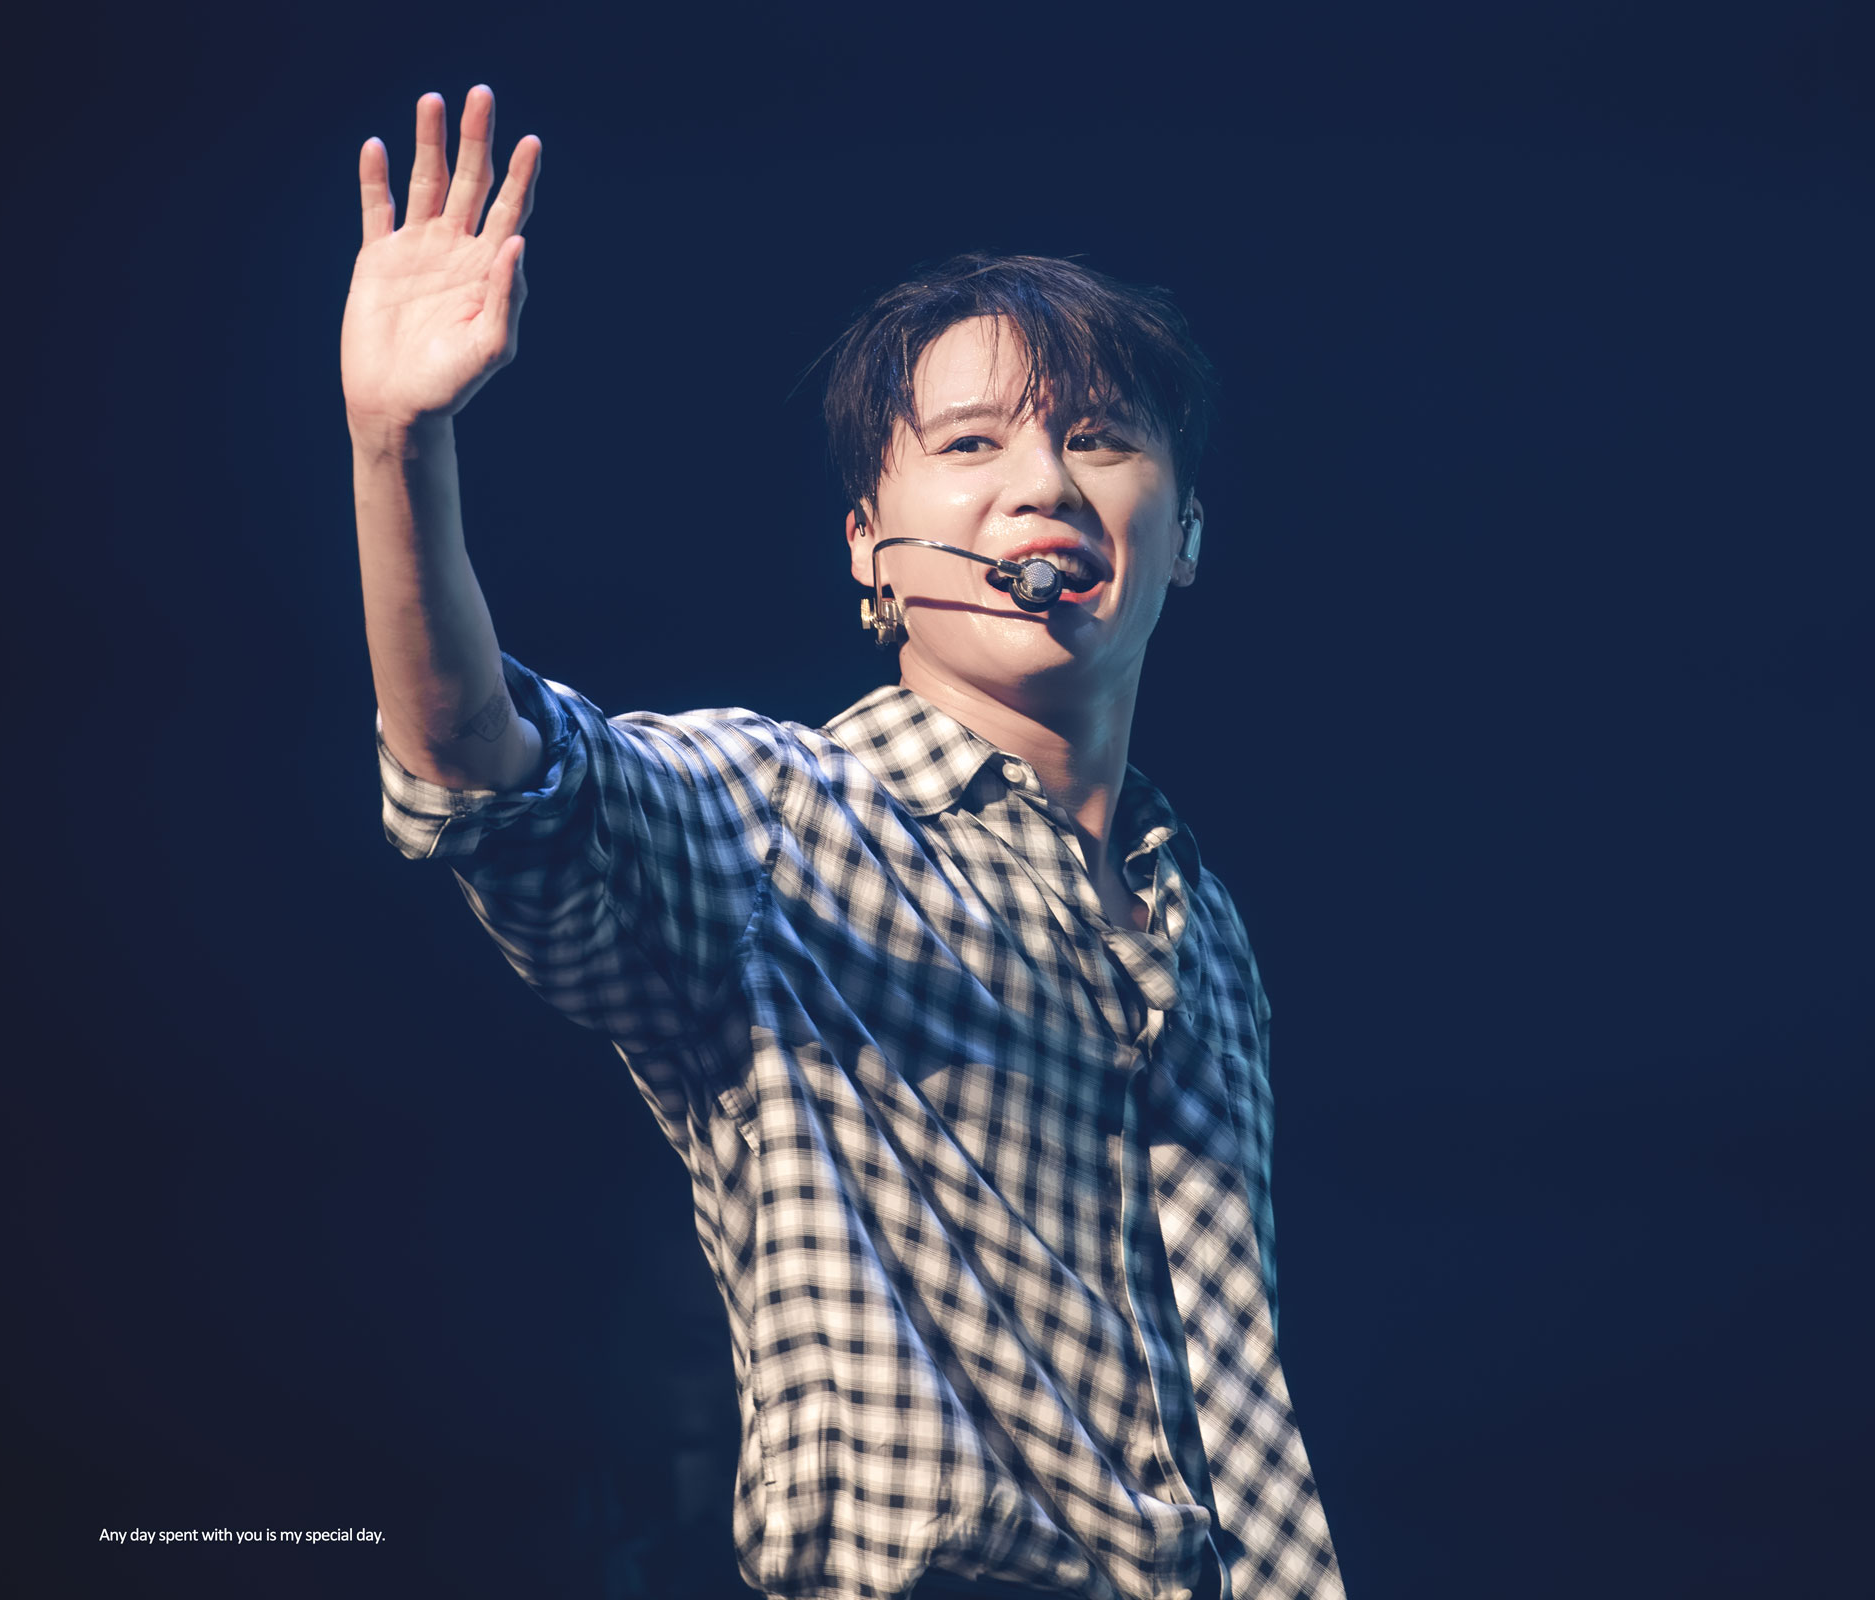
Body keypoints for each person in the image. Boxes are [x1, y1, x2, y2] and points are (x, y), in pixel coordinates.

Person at [341, 85, 1347, 1600]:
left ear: (1187, 533)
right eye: (971, 442)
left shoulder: (1202, 928)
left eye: (1098, 440)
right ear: (870, 544)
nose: (1043, 484)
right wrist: (396, 444)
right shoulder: (778, 820)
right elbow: (484, 769)